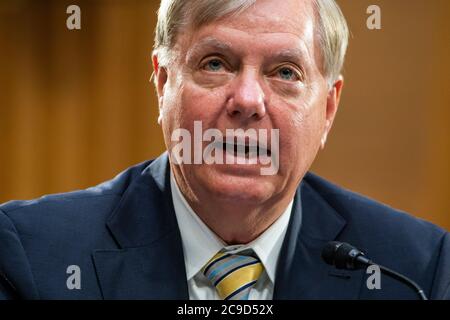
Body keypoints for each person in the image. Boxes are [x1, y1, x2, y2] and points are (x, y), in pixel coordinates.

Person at [0, 0, 449, 300]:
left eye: (285, 72)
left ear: (328, 108)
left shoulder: (415, 271)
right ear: (162, 85)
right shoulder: (32, 257)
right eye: (215, 64)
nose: (248, 100)